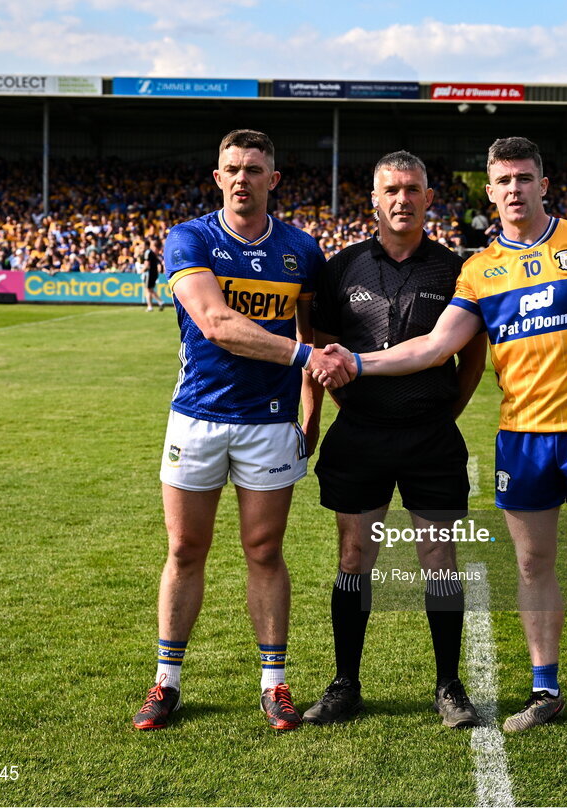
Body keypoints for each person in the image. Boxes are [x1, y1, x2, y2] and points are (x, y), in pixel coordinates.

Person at [315, 137, 567, 744]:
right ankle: (544, 691)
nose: (515, 189)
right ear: (490, 191)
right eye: (504, 180)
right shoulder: (477, 270)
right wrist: (356, 369)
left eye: (525, 177)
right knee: (529, 565)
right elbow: (435, 347)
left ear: (541, 184)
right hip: (517, 438)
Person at [131, 129, 352, 732]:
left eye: (254, 169)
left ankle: (274, 683)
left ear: (272, 180)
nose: (242, 178)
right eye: (232, 168)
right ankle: (166, 681)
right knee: (184, 549)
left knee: (265, 551)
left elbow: (312, 338)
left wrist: (310, 414)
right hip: (198, 418)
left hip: (270, 427)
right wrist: (306, 362)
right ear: (217, 175)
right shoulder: (191, 238)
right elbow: (216, 323)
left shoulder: (301, 250)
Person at [303, 151, 488, 729]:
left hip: (431, 436)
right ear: (374, 200)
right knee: (355, 556)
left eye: (413, 189)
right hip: (360, 436)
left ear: (430, 198)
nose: (402, 199)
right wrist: (346, 409)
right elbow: (325, 354)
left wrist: (440, 411)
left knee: (438, 557)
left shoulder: (456, 270)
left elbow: (471, 356)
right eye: (392, 190)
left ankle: (449, 686)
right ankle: (345, 683)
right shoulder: (341, 269)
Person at [139, 239, 166, 311]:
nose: (142, 247)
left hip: (149, 273)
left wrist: (141, 271)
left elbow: (147, 265)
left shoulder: (147, 252)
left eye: (143, 245)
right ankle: (150, 306)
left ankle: (160, 301)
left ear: (147, 245)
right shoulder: (151, 252)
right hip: (153, 273)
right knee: (149, 290)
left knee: (149, 289)